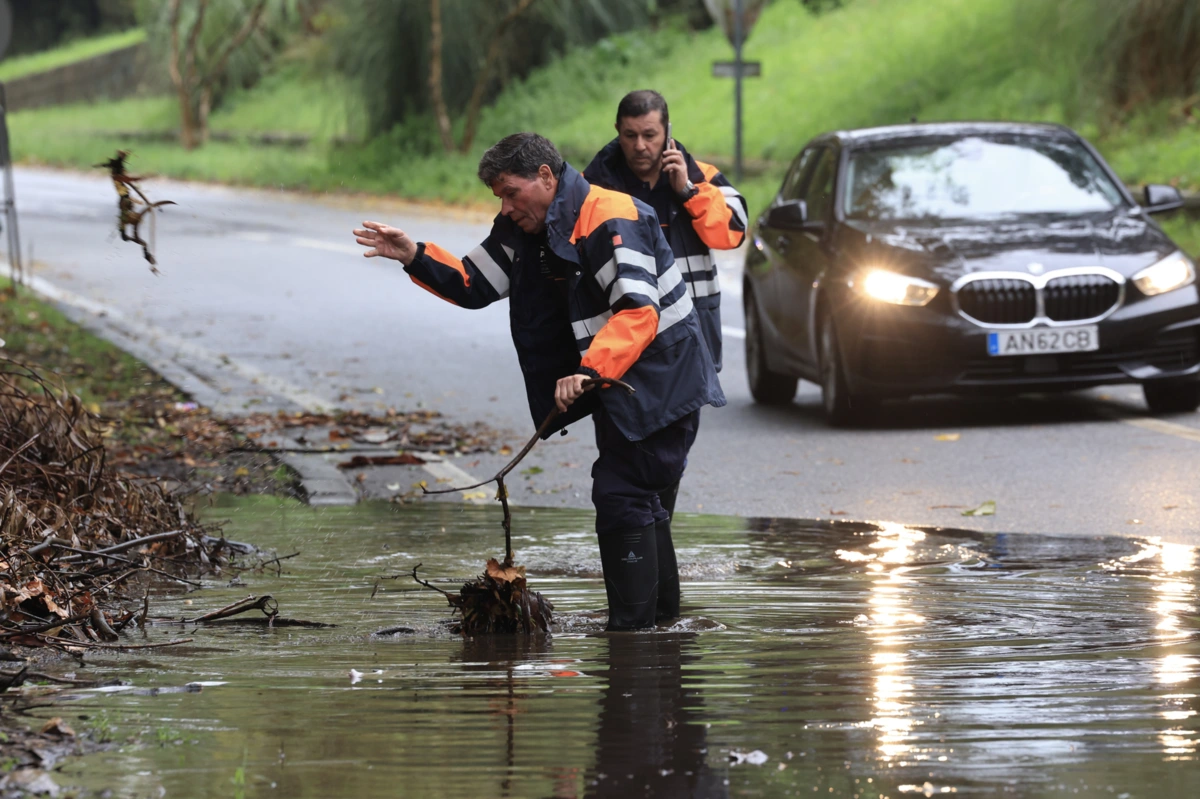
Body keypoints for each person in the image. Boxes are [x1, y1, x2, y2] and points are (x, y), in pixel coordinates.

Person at [352, 133, 724, 630]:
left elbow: (638, 311)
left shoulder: (611, 216)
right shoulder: (523, 226)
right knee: (638, 495)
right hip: (619, 381)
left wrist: (588, 372)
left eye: (511, 192)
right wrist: (413, 254)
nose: (505, 207)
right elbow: (474, 282)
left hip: (663, 378)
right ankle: (658, 628)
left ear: (546, 177)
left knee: (622, 493)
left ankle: (633, 634)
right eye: (499, 197)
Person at [583, 89, 748, 522]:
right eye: (630, 135)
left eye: (650, 135)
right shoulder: (595, 185)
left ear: (667, 132)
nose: (640, 146)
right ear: (617, 132)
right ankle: (643, 531)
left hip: (687, 339)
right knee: (624, 442)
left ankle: (655, 527)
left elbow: (733, 232)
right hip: (624, 341)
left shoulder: (700, 175)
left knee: (674, 444)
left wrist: (688, 192)